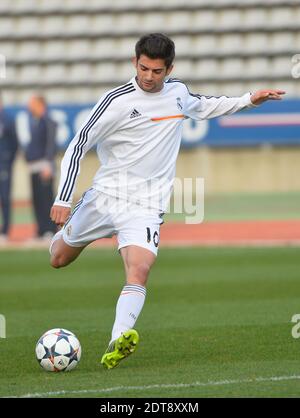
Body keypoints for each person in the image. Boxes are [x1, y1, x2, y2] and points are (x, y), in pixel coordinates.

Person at [49, 33, 285, 369]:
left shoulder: (177, 93)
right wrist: (63, 198)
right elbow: (77, 146)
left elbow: (205, 106)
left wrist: (249, 99)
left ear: (169, 69)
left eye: (156, 71)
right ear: (135, 63)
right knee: (58, 258)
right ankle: (68, 234)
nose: (148, 76)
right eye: (143, 68)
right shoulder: (115, 101)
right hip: (105, 197)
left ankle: (118, 339)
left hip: (145, 205)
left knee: (140, 270)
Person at [25, 95, 57, 241]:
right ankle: (41, 229)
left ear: (40, 105)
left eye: (32, 104)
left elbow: (51, 144)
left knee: (46, 199)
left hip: (44, 166)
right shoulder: (34, 121)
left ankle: (50, 229)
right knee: (37, 199)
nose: (29, 107)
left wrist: (48, 165)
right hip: (34, 166)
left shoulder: (48, 121)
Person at [0, 96, 18, 243]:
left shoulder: (7, 119)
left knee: (5, 198)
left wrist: (7, 161)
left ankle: (5, 230)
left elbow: (15, 143)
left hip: (3, 165)